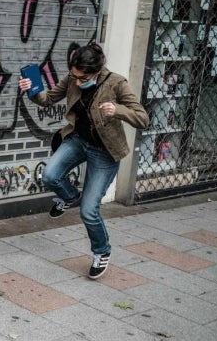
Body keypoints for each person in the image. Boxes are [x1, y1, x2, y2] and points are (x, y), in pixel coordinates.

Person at [19, 41, 149, 279]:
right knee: (49, 175)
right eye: (75, 76)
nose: (77, 81)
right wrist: (32, 89)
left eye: (83, 77)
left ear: (96, 72)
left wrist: (118, 110)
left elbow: (142, 118)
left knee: (89, 211)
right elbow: (47, 99)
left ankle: (102, 251)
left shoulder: (117, 83)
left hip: (104, 151)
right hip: (77, 140)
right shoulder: (71, 78)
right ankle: (69, 196)